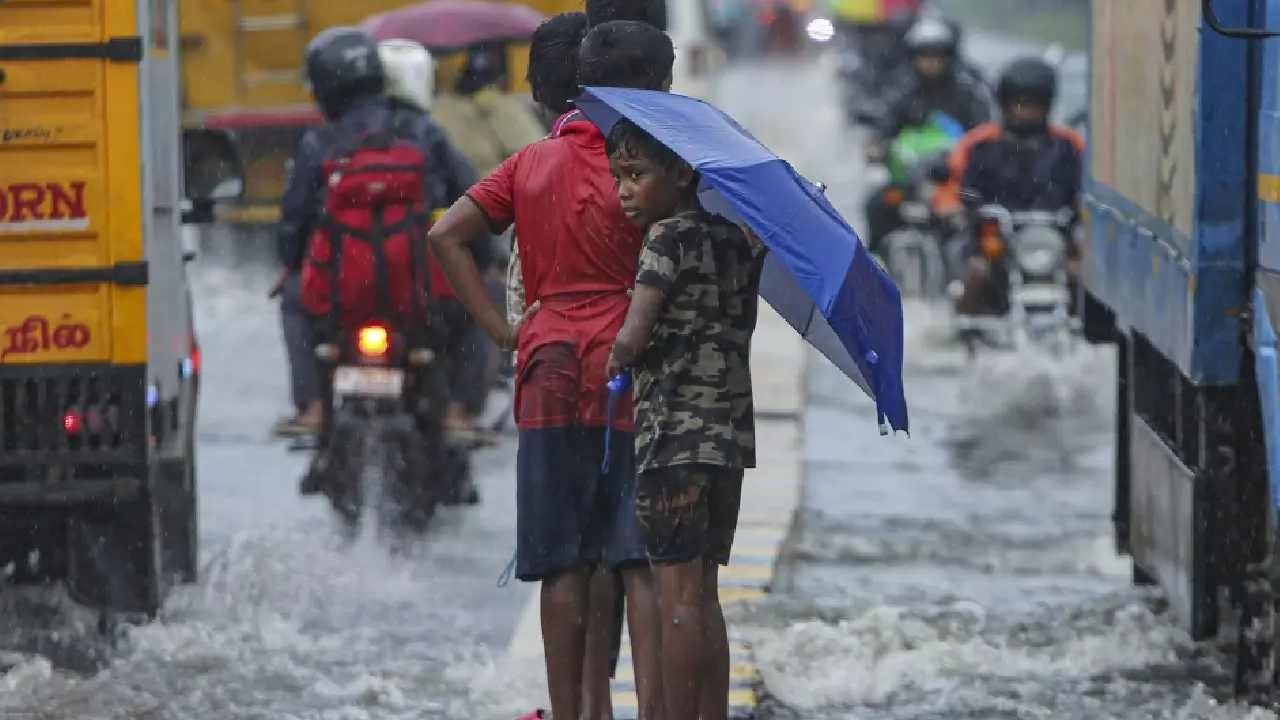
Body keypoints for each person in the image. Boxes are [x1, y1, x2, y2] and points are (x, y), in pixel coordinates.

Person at [429, 20, 675, 720]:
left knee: (561, 558)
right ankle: (656, 708)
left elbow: (445, 235)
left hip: (547, 363)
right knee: (637, 556)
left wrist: (503, 332)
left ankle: (573, 712)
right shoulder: (644, 167)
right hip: (628, 359)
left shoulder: (530, 163)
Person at [605, 118, 765, 720]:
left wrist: (616, 356)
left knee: (676, 599)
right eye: (618, 176)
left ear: (680, 173)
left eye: (637, 175)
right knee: (705, 596)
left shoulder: (666, 238)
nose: (624, 190)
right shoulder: (736, 240)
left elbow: (636, 331)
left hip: (673, 438)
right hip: (727, 438)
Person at [277, 27, 476, 476]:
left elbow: (293, 222)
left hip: (340, 297)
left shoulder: (318, 142)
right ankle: (459, 410)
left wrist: (291, 264)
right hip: (418, 293)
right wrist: (483, 260)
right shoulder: (423, 131)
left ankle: (310, 405)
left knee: (292, 303)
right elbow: (472, 200)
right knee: (476, 306)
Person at [937, 56, 1085, 316]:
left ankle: (1086, 326)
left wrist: (1077, 218)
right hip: (995, 241)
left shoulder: (1068, 145)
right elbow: (963, 187)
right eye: (1018, 103)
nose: (1024, 111)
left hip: (1052, 241)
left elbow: (1083, 191)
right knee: (977, 274)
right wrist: (971, 210)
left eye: (1033, 105)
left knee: (1084, 277)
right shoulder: (980, 145)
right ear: (1004, 103)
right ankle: (966, 329)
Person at [862, 15, 993, 257]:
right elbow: (883, 127)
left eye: (937, 56)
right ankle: (878, 266)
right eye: (925, 55)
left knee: (984, 219)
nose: (931, 62)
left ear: (949, 57)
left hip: (955, 183)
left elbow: (982, 136)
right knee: (877, 206)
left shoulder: (968, 96)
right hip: (910, 181)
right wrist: (876, 146)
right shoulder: (902, 92)